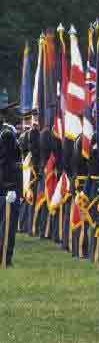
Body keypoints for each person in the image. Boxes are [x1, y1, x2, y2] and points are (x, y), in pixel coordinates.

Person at [0, 102, 21, 268]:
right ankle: (4, 258)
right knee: (7, 225)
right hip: (7, 186)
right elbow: (8, 162)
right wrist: (11, 185)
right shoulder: (7, 134)